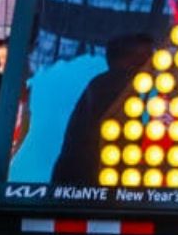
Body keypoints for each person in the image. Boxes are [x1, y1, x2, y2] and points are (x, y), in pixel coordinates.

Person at [51, 34, 155, 186]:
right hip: (88, 183)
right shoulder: (117, 85)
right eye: (146, 58)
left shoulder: (102, 85)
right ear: (130, 61)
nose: (152, 65)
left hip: (74, 183)